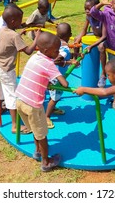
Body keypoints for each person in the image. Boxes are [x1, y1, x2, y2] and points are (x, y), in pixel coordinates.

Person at [15, 32, 68, 172]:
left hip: (19, 100)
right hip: (33, 105)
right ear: (46, 51)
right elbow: (64, 84)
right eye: (56, 50)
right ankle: (46, 162)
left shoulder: (34, 57)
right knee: (42, 134)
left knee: (34, 129)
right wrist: (62, 77)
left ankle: (37, 151)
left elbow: (40, 74)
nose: (58, 53)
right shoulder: (49, 64)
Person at [0, 4, 39, 134]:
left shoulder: (3, 29)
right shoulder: (14, 36)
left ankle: (3, 109)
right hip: (6, 69)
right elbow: (29, 51)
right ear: (13, 21)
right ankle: (14, 126)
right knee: (12, 96)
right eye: (20, 20)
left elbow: (11, 40)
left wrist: (20, 33)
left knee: (7, 92)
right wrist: (36, 38)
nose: (21, 22)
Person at [45, 23, 78, 129]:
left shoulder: (56, 43)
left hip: (50, 74)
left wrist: (75, 55)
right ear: (70, 35)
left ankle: (52, 108)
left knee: (53, 95)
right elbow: (57, 60)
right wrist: (69, 62)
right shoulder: (65, 49)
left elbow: (62, 56)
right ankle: (47, 116)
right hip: (56, 77)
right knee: (55, 98)